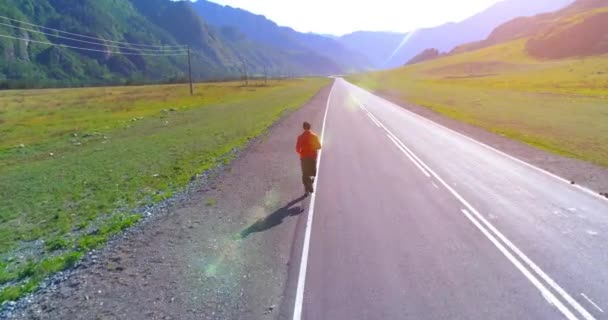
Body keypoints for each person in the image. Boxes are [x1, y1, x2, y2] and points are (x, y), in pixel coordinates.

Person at [296, 121, 321, 195]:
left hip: (304, 158)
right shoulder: (314, 136)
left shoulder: (300, 137)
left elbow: (297, 149)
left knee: (305, 174)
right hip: (312, 157)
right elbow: (319, 146)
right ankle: (310, 182)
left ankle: (306, 188)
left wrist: (302, 152)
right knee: (313, 173)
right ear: (310, 127)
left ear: (303, 128)